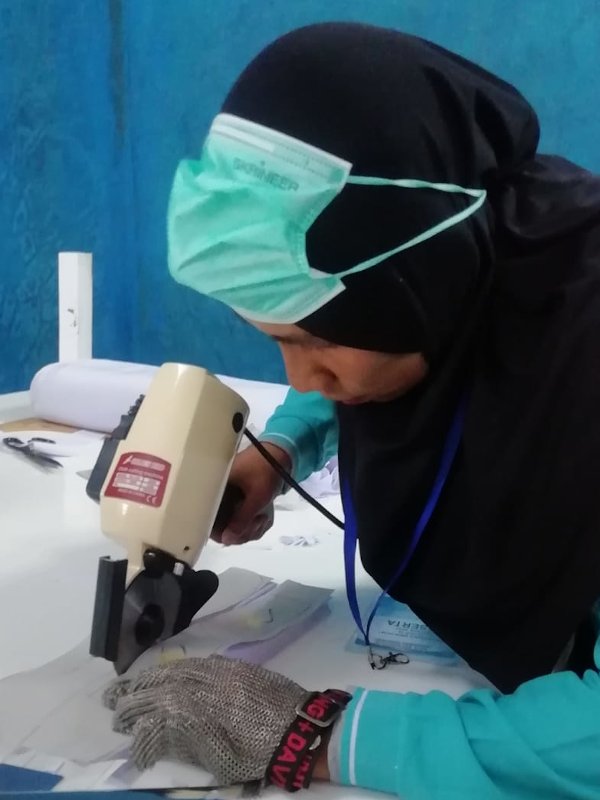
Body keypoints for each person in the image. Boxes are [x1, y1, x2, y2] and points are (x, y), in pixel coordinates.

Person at [105, 22, 600, 798]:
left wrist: (320, 733)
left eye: (315, 339)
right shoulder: (470, 251)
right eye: (274, 339)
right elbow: (413, 355)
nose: (302, 374)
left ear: (418, 284)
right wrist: (282, 450)